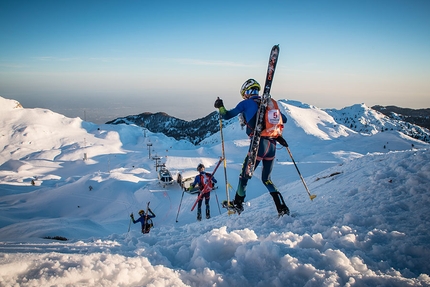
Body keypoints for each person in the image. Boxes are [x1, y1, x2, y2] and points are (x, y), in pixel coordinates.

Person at [214, 78, 290, 216]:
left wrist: (220, 106)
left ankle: (238, 203)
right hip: (272, 145)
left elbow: (226, 115)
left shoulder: (246, 103)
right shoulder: (269, 104)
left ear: (246, 92)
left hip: (258, 145)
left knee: (244, 176)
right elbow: (283, 119)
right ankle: (282, 208)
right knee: (267, 179)